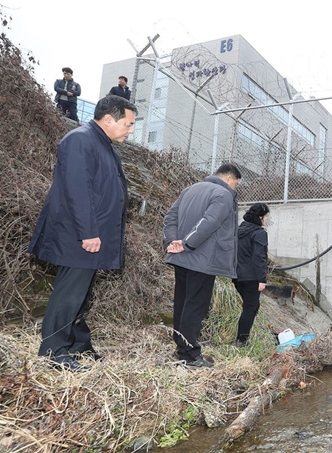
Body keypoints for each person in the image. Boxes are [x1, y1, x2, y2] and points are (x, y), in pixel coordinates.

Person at [29, 95, 137, 372]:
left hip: (90, 233)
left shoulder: (104, 145)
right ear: (109, 119)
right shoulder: (80, 140)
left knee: (81, 293)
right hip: (77, 235)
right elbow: (77, 190)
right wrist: (89, 232)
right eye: (128, 124)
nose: (131, 130)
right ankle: (54, 351)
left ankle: (78, 344)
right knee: (69, 293)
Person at [163, 163, 242, 368]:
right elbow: (210, 222)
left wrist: (173, 241)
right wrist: (187, 243)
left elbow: (170, 217)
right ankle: (189, 355)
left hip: (183, 257)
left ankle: (182, 347)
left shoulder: (190, 189)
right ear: (228, 179)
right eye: (236, 184)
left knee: (182, 302)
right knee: (196, 306)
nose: (235, 188)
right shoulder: (223, 194)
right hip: (203, 259)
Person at [234, 203, 270, 347]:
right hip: (252, 277)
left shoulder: (239, 231)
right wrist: (262, 279)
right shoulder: (259, 233)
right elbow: (259, 257)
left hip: (237, 275)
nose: (266, 219)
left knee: (253, 306)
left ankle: (244, 337)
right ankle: (241, 341)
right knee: (250, 307)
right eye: (266, 216)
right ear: (260, 217)